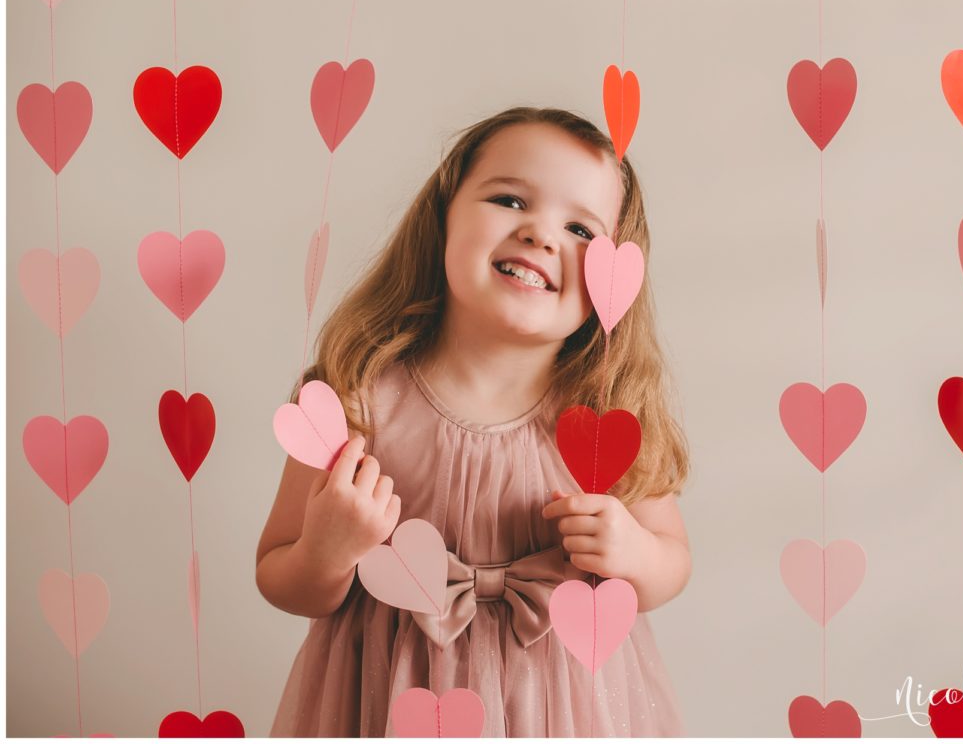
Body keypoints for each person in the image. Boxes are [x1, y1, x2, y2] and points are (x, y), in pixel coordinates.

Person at [258, 107, 688, 737]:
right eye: (511, 200)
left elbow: (672, 563)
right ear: (444, 217)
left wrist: (634, 552)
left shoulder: (607, 418)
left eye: (580, 229)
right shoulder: (355, 399)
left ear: (615, 280)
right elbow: (279, 573)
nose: (542, 235)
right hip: (387, 701)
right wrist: (326, 551)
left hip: (563, 713)